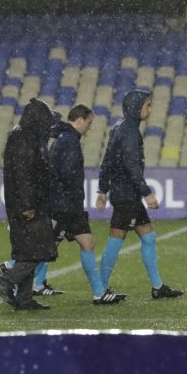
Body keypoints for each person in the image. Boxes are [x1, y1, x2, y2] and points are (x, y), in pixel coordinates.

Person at [95, 89, 184, 299]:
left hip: (125, 194)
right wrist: (147, 193)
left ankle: (157, 287)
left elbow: (107, 160)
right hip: (127, 195)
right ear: (136, 107)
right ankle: (100, 290)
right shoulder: (130, 132)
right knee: (116, 240)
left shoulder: (119, 127)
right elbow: (131, 167)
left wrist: (103, 189)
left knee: (148, 236)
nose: (150, 109)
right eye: (147, 105)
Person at [48, 104, 126, 305]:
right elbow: (66, 175)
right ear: (79, 120)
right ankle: (11, 271)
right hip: (64, 206)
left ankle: (99, 293)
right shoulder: (68, 141)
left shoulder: (66, 139)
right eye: (89, 122)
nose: (90, 127)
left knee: (87, 243)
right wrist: (69, 198)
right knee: (43, 248)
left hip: (69, 206)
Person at [0, 98, 58, 311]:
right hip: (28, 206)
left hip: (29, 203)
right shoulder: (25, 139)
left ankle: (24, 299)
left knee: (27, 252)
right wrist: (28, 204)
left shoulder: (25, 136)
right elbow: (23, 175)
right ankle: (6, 282)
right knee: (38, 251)